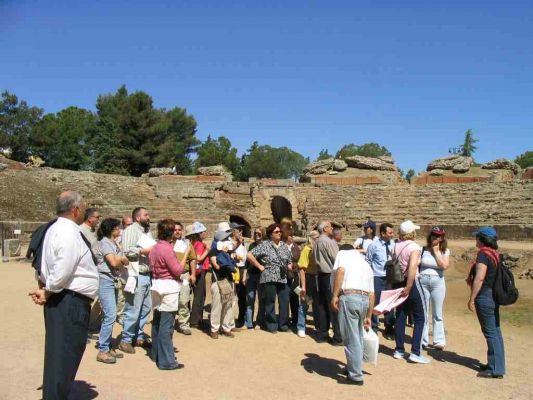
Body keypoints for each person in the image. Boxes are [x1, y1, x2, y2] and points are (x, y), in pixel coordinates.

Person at [28, 191, 99, 400]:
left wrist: (45, 289)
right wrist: (48, 290)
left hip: (64, 298)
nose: (85, 210)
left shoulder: (54, 228)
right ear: (75, 209)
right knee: (65, 353)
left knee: (61, 352)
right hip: (69, 300)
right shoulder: (67, 231)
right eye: (84, 207)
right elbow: (64, 267)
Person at [331, 244, 375, 386]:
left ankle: (356, 376)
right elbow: (372, 294)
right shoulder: (365, 264)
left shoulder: (343, 255)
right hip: (364, 300)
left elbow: (340, 271)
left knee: (351, 338)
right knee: (358, 336)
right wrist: (369, 316)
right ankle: (355, 367)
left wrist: (335, 295)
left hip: (349, 297)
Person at [467, 226, 506, 379]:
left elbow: (480, 278)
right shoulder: (495, 254)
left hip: (485, 295)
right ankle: (495, 363)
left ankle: (495, 368)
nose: (475, 239)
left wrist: (472, 298)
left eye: (477, 237)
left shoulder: (483, 255)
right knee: (495, 330)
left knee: (490, 332)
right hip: (493, 295)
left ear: (482, 239)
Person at [149, 219, 186, 370]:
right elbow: (177, 270)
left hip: (157, 284)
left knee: (157, 321)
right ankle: (167, 361)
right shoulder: (166, 249)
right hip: (168, 287)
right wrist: (184, 257)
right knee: (166, 324)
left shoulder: (155, 247)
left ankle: (156, 354)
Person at [119, 207, 154, 354]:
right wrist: (143, 251)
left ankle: (138, 335)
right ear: (138, 217)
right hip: (136, 273)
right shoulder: (130, 231)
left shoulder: (146, 231)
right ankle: (126, 339)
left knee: (146, 308)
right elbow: (127, 250)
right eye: (146, 215)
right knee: (133, 308)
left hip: (147, 274)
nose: (149, 217)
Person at [393, 220, 428, 364]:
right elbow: (413, 266)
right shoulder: (414, 246)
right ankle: (415, 351)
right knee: (421, 316)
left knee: (401, 314)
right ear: (411, 233)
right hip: (411, 282)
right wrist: (409, 285)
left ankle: (399, 349)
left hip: (399, 280)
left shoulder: (395, 246)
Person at [95, 218, 129, 364]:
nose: (120, 230)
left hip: (112, 280)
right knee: (110, 315)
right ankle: (103, 350)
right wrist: (124, 260)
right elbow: (114, 262)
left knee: (110, 314)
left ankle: (107, 346)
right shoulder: (105, 243)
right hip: (105, 281)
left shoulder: (112, 243)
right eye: (117, 228)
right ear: (111, 229)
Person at [247, 223, 292, 333]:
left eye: (280, 231)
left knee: (284, 301)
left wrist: (289, 265)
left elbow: (289, 260)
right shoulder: (265, 245)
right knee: (270, 301)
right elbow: (249, 255)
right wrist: (260, 266)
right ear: (271, 234)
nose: (279, 233)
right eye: (276, 232)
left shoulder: (284, 246)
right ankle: (272, 325)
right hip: (269, 276)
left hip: (283, 276)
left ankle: (283, 325)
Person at [419, 226, 450, 350]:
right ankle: (423, 339)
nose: (434, 238)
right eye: (433, 235)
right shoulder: (423, 249)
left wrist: (436, 252)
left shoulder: (445, 251)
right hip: (423, 281)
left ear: (442, 238)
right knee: (423, 311)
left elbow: (444, 266)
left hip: (438, 283)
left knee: (437, 313)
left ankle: (439, 341)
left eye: (438, 236)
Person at [313, 220, 342, 344]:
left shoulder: (317, 242)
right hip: (330, 275)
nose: (332, 228)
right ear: (325, 228)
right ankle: (338, 337)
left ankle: (322, 334)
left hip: (321, 275)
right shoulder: (329, 242)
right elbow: (337, 259)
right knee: (334, 305)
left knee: (323, 306)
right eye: (330, 227)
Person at [366, 222, 396, 338]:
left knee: (389, 303)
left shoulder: (393, 244)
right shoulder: (374, 245)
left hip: (389, 277)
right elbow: (368, 261)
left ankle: (389, 327)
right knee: (375, 302)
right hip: (377, 276)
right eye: (390, 232)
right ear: (383, 233)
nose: (392, 235)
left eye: (392, 232)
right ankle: (374, 326)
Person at [209, 229, 237, 338]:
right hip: (218, 281)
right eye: (226, 238)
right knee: (217, 305)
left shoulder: (230, 251)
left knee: (229, 305)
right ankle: (214, 328)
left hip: (229, 280)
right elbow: (217, 266)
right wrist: (224, 254)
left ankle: (226, 327)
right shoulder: (214, 251)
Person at [174, 223, 197, 336]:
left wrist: (193, 274)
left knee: (184, 300)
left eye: (179, 230)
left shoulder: (187, 243)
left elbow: (193, 259)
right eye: (175, 230)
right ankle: (169, 323)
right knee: (171, 301)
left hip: (184, 275)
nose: (177, 232)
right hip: (171, 276)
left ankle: (183, 324)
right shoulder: (167, 243)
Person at [296, 230, 320, 338]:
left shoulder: (320, 249)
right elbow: (302, 269)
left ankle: (319, 326)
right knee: (305, 302)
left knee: (318, 304)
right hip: (309, 278)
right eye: (315, 237)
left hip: (319, 278)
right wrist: (304, 286)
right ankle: (301, 327)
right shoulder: (307, 249)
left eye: (318, 236)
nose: (317, 238)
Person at [244, 227, 265, 329]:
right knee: (250, 299)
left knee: (261, 300)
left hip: (261, 276)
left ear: (263, 235)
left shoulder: (265, 246)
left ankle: (259, 322)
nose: (256, 235)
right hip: (252, 275)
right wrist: (245, 274)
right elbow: (247, 262)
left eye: (259, 234)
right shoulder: (251, 245)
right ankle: (249, 323)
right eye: (255, 233)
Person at [189, 222, 209, 329]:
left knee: (200, 295)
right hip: (200, 271)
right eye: (204, 231)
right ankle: (195, 320)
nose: (206, 233)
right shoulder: (200, 245)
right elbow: (199, 258)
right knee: (199, 296)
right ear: (199, 233)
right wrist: (207, 251)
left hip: (198, 271)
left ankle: (196, 318)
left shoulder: (194, 243)